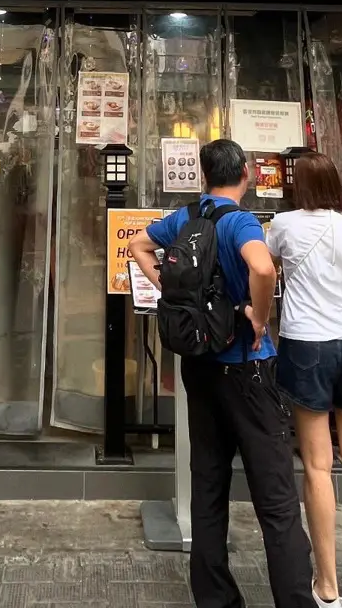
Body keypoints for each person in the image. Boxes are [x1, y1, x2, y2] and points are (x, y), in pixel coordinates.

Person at [128, 138, 315, 608]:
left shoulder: (185, 218)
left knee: (207, 488)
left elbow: (138, 246)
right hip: (248, 371)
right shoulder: (240, 221)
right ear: (245, 174)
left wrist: (173, 292)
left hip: (200, 369)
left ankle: (216, 600)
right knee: (276, 499)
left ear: (203, 176)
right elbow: (262, 267)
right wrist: (258, 317)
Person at [266, 152, 342, 608]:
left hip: (305, 345)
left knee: (318, 465)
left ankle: (328, 586)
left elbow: (266, 271)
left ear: (297, 186)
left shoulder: (283, 225)